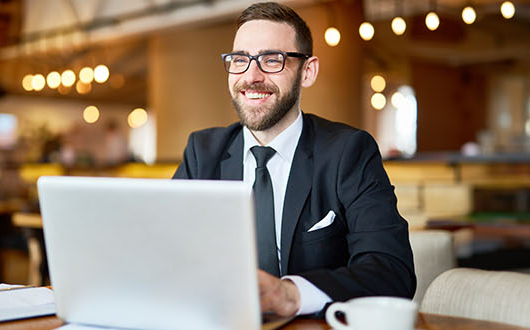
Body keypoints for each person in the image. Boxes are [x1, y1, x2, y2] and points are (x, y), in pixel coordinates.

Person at [171, 2, 416, 318]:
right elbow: (167, 254)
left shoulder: (349, 152)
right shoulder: (202, 152)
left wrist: (291, 294)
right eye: (240, 60)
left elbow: (392, 271)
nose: (251, 76)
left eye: (271, 60)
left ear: (307, 71)